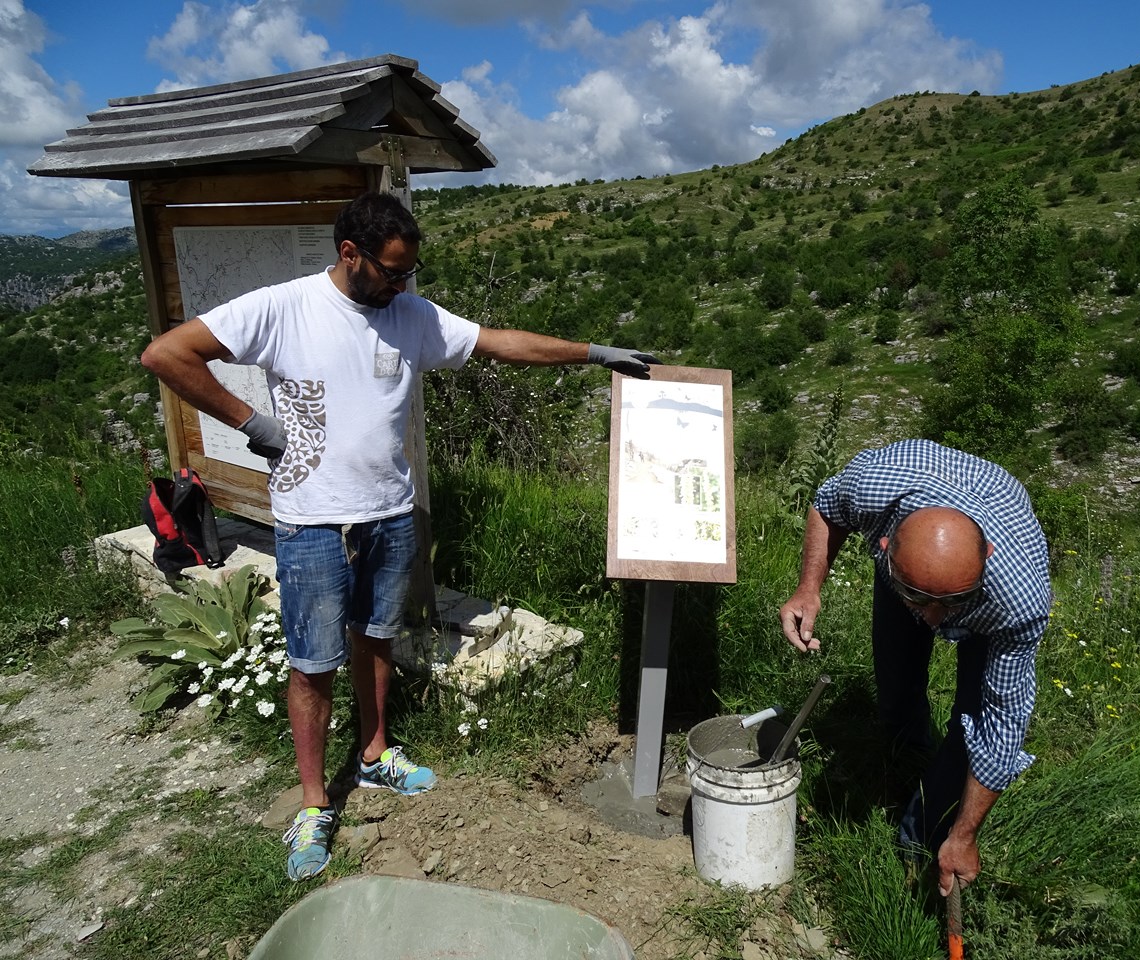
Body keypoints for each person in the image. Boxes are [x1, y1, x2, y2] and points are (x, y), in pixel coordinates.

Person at [141, 190, 658, 881]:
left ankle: (376, 753)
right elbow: (167, 354)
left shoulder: (409, 315)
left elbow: (499, 342)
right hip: (312, 517)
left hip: (388, 509)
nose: (401, 285)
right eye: (389, 271)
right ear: (349, 254)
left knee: (377, 637)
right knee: (312, 663)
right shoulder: (283, 307)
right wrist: (249, 421)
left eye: (408, 272)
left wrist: (593, 353)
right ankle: (315, 802)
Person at [778, 438, 1050, 898]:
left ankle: (920, 838)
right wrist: (809, 588)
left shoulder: (1017, 602)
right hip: (919, 557)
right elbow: (826, 507)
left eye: (952, 603)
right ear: (884, 549)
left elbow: (1000, 725)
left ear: (985, 559)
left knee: (972, 722)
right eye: (920, 601)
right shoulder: (872, 489)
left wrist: (965, 836)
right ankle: (903, 756)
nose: (935, 619)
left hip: (990, 596)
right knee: (897, 675)